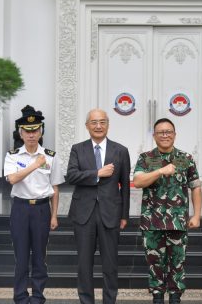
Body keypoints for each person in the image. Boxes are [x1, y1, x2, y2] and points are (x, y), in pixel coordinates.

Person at [133, 118, 202, 304]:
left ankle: (175, 297)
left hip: (178, 221)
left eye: (168, 132)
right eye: (161, 132)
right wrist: (160, 171)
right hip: (152, 222)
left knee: (177, 264)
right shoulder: (145, 158)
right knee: (155, 264)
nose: (165, 135)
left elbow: (195, 187)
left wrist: (196, 215)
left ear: (174, 134)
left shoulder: (186, 158)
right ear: (154, 135)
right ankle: (157, 297)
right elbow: (138, 182)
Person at [65, 108, 131, 304]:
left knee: (110, 266)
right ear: (87, 126)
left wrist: (124, 215)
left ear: (108, 125)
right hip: (83, 214)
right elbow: (71, 176)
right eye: (94, 122)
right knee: (84, 265)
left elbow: (126, 186)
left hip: (110, 214)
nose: (98, 126)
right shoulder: (78, 148)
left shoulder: (120, 150)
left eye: (102, 122)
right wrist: (97, 173)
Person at [4, 107, 63, 304]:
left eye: (35, 130)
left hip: (41, 209)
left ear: (41, 132)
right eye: (27, 131)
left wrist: (54, 215)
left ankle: (38, 296)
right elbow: (12, 179)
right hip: (20, 209)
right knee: (21, 257)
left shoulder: (51, 156)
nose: (31, 135)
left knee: (39, 256)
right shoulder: (12, 155)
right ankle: (20, 296)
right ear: (20, 133)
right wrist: (35, 165)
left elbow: (55, 187)